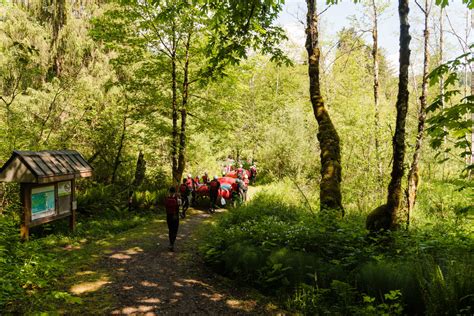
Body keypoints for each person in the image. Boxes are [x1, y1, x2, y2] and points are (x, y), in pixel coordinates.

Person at [164, 187, 180, 251]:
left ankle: (171, 243)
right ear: (174, 191)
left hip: (169, 216)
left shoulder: (166, 198)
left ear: (169, 191)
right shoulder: (177, 198)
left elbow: (165, 206)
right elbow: (179, 206)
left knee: (170, 230)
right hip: (175, 216)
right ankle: (172, 243)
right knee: (175, 230)